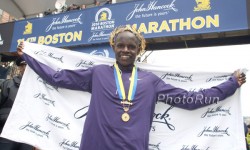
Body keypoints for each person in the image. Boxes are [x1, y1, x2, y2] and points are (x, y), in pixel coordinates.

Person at [17, 25, 246, 150]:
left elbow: (190, 100)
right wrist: (30, 56)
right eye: (121, 45)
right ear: (113, 47)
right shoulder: (97, 73)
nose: (125, 50)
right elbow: (58, 77)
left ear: (139, 50)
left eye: (131, 47)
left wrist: (230, 85)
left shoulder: (150, 81)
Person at [0, 57, 34, 150]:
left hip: (27, 134)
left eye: (29, 66)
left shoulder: (39, 89)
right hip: (7, 132)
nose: (26, 69)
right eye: (24, 66)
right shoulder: (7, 84)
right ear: (20, 68)